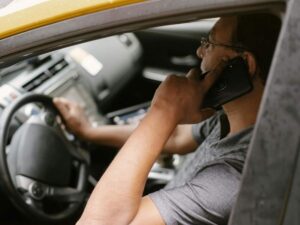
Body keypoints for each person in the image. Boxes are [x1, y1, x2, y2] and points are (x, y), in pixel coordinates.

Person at [54, 13, 281, 225]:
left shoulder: (233, 179)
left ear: (245, 63)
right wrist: (89, 131)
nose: (199, 52)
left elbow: (99, 222)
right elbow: (177, 137)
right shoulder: (230, 118)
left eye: (209, 44)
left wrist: (164, 109)